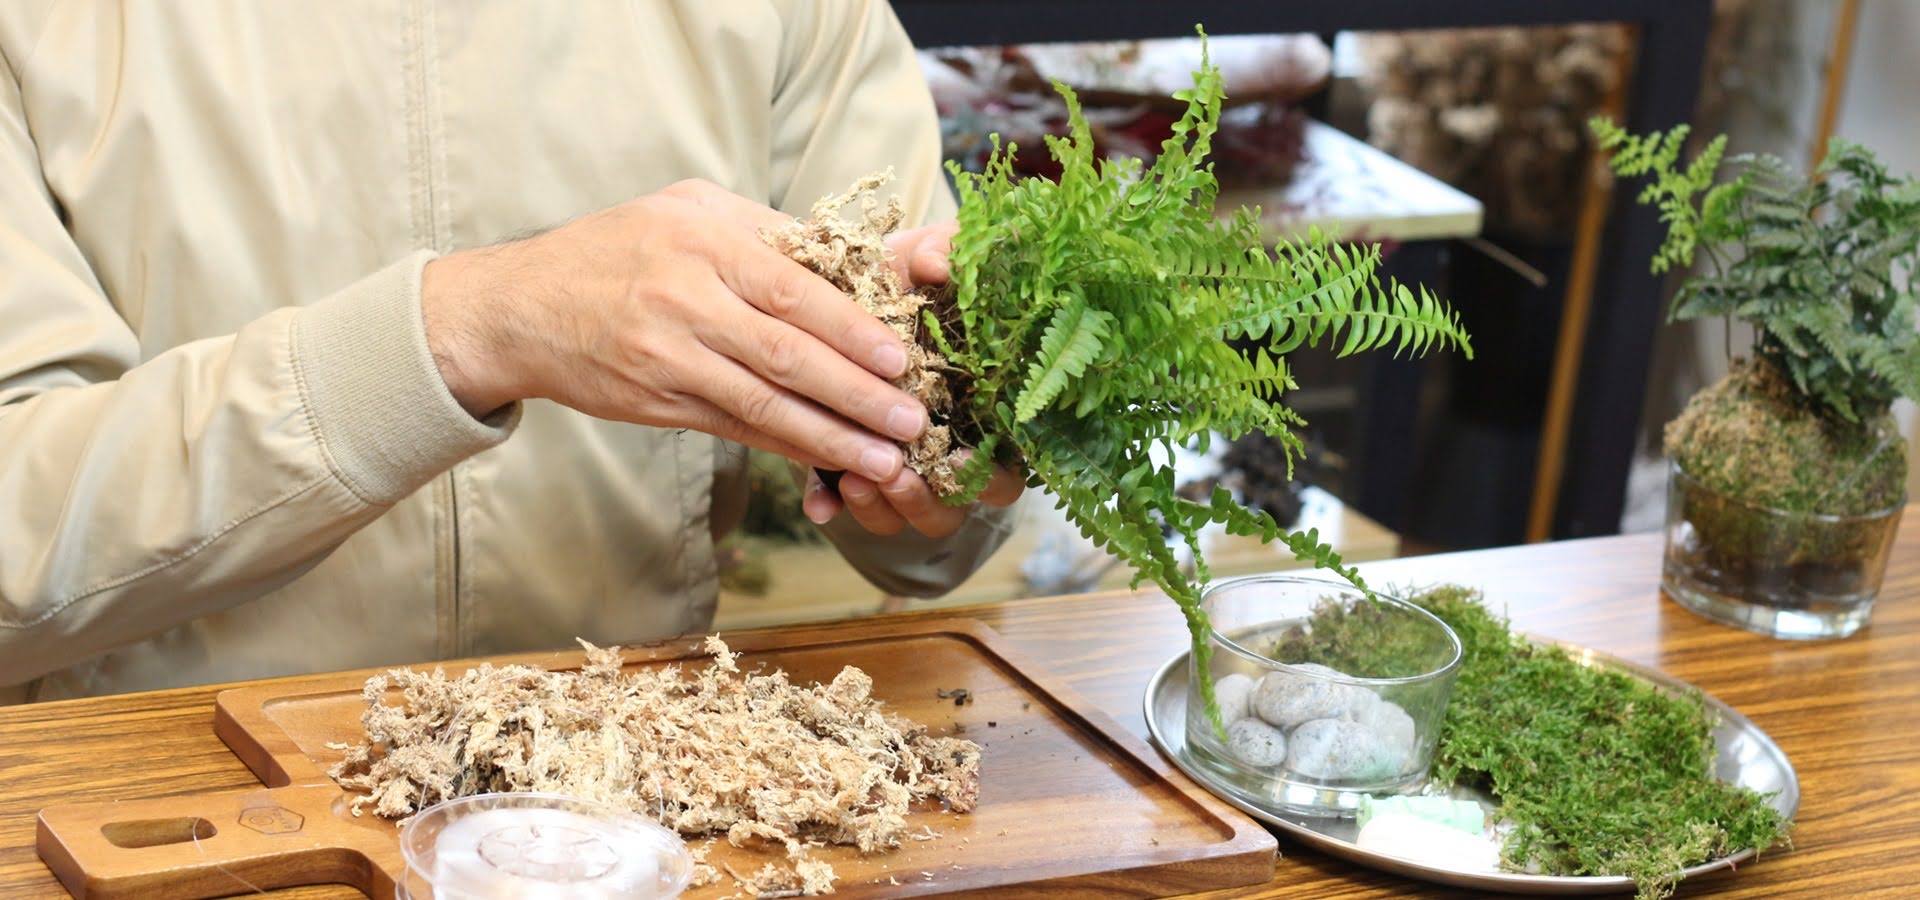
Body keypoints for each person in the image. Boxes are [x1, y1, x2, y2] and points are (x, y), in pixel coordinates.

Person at [0, 2, 1023, 703]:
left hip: (650, 815)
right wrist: (468, 331)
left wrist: (926, 478)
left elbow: (942, 510)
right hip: (177, 815)